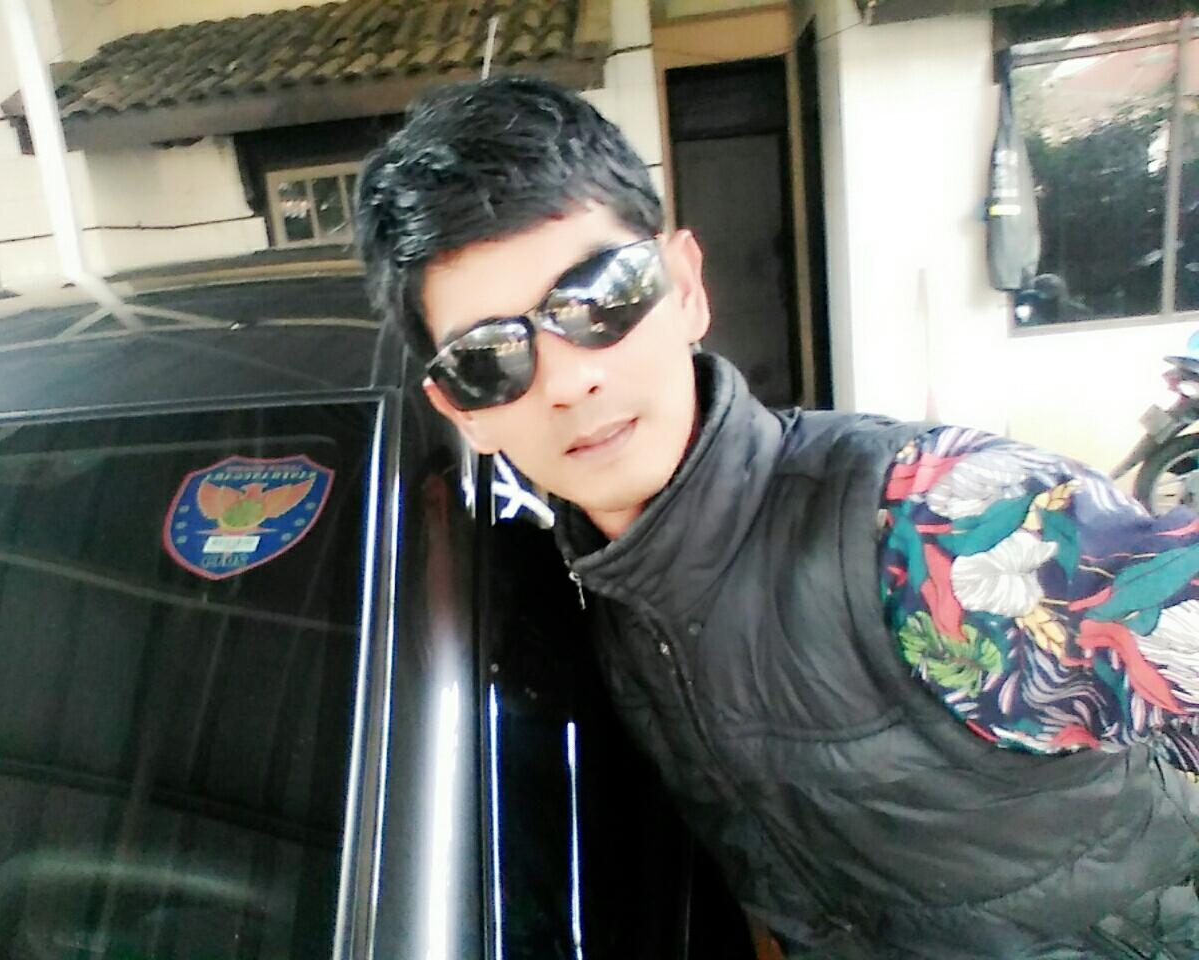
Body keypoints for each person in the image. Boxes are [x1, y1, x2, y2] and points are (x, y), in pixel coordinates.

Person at [354, 75, 1199, 959]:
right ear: (463, 412)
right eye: (488, 356)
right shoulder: (593, 618)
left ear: (685, 285)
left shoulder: (936, 522)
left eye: (598, 297)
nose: (569, 379)